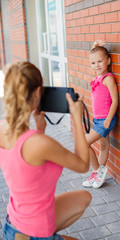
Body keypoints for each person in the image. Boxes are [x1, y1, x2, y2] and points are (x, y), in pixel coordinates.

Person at [0, 62, 92, 240]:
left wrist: (40, 128)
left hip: (13, 225)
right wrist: (76, 118)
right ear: (37, 94)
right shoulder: (40, 144)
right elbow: (82, 165)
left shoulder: (3, 129)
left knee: (84, 198)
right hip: (33, 234)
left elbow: (26, 161)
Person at [82, 40, 118, 189]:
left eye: (100, 61)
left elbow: (115, 101)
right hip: (98, 119)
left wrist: (108, 119)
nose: (96, 65)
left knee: (83, 143)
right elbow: (95, 59)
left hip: (105, 120)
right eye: (93, 63)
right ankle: (98, 176)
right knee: (104, 146)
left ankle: (97, 171)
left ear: (108, 61)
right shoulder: (97, 76)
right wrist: (94, 48)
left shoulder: (108, 78)